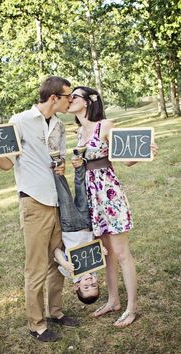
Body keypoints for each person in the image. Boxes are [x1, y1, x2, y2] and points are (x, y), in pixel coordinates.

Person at [0, 76, 79, 343]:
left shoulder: (59, 126)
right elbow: (8, 164)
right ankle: (37, 324)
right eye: (68, 97)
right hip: (34, 201)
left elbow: (59, 159)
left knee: (58, 261)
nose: (71, 101)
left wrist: (62, 166)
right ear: (54, 97)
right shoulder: (19, 121)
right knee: (37, 266)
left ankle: (55, 311)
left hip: (57, 200)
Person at [68, 86, 158, 328]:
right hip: (91, 198)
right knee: (106, 255)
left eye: (73, 96)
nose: (69, 99)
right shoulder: (78, 132)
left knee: (121, 253)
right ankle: (113, 301)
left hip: (108, 195)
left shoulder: (105, 126)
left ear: (87, 102)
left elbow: (126, 159)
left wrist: (144, 152)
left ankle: (131, 308)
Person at [51, 147, 106, 305]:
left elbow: (56, 251)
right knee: (82, 191)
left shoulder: (71, 272)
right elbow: (95, 240)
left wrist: (64, 262)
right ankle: (79, 161)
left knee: (65, 196)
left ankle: (57, 165)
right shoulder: (96, 265)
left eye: (86, 286)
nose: (90, 281)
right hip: (87, 223)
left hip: (71, 227)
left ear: (76, 287)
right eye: (94, 285)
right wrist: (101, 248)